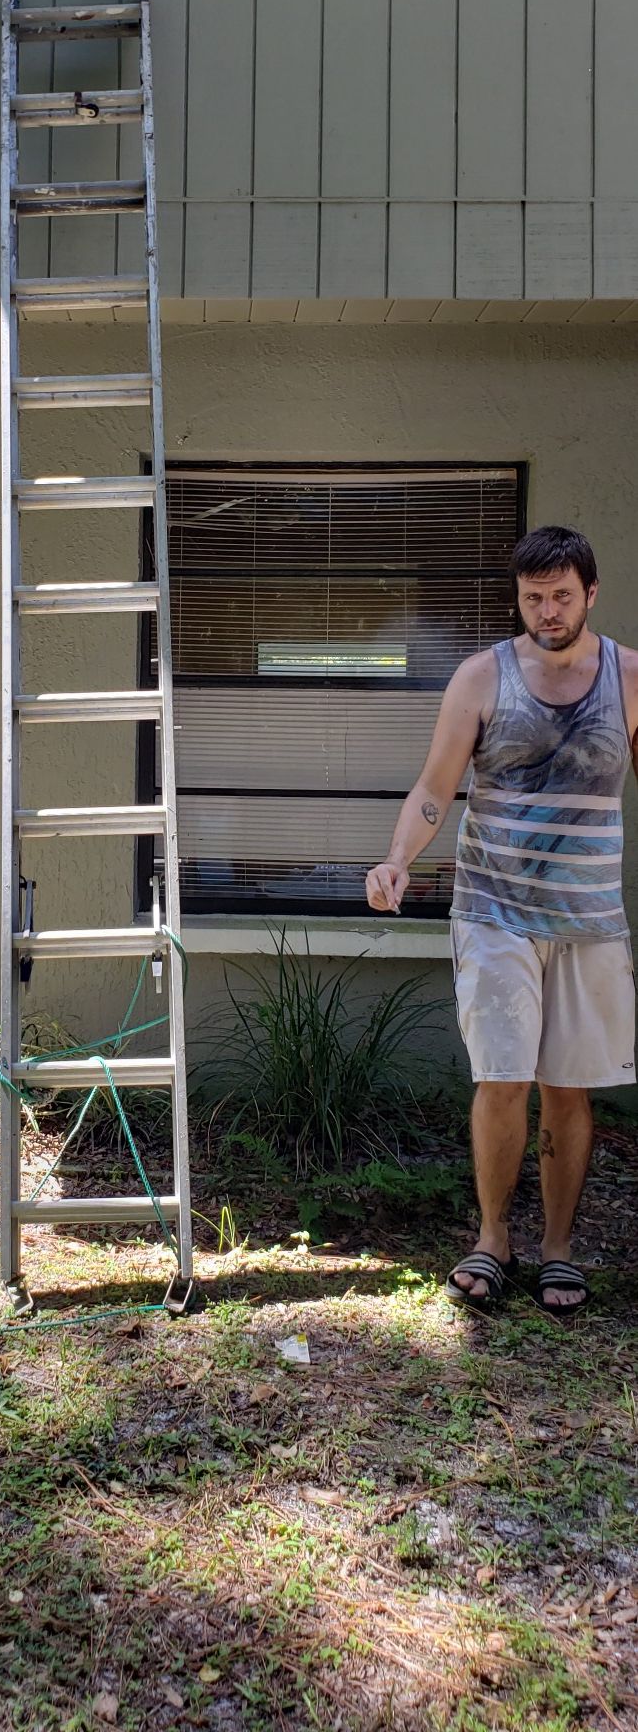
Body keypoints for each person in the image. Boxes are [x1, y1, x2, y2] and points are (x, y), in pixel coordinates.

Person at [366, 526, 638, 1316]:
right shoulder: (482, 678)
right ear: (518, 599)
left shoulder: (627, 678)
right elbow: (434, 788)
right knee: (503, 1079)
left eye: (560, 596)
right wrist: (398, 858)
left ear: (590, 593)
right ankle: (493, 1238)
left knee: (567, 1090)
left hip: (590, 921)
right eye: (532, 598)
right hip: (495, 912)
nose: (546, 611)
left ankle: (557, 1248)